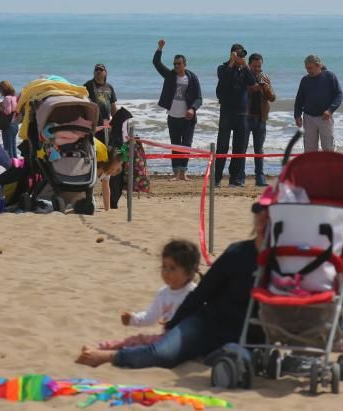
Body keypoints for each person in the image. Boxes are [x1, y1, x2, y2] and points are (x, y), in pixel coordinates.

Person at [76, 204, 267, 369]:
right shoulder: (237, 253)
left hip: (248, 336)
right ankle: (109, 356)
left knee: (239, 358)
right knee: (162, 353)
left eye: (271, 211)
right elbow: (201, 294)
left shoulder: (289, 261)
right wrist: (173, 326)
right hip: (209, 325)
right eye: (259, 209)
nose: (264, 216)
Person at [94, 240, 200, 351]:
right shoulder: (163, 293)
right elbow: (150, 317)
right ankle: (105, 347)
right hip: (167, 339)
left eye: (173, 268)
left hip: (187, 340)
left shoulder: (194, 293)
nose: (166, 272)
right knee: (138, 340)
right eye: (164, 266)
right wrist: (133, 319)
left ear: (189, 272)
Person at [152, 39, 202, 181]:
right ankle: (175, 172)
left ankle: (183, 172)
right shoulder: (170, 76)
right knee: (175, 144)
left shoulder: (192, 78)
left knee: (186, 144)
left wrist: (192, 109)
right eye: (174, 64)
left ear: (184, 65)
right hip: (173, 116)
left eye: (179, 64)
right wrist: (160, 48)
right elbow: (156, 63)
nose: (176, 66)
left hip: (188, 118)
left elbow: (199, 98)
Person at [215, 43, 257, 187]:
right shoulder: (223, 68)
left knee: (239, 147)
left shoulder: (244, 70)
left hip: (242, 112)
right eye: (238, 54)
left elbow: (253, 82)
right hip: (227, 111)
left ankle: (235, 179)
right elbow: (224, 79)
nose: (241, 57)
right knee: (222, 146)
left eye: (242, 54)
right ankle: (217, 178)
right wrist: (232, 63)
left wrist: (245, 66)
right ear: (232, 54)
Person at [293, 55, 343, 153]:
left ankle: (329, 168)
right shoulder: (305, 80)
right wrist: (297, 115)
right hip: (308, 118)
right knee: (309, 150)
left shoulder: (329, 76)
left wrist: (330, 110)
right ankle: (312, 168)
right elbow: (299, 99)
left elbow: (339, 95)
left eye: (310, 68)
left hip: (325, 117)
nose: (308, 71)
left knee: (328, 148)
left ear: (318, 66)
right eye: (306, 68)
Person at [246, 53, 276, 187]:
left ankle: (260, 176)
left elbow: (273, 98)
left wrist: (267, 89)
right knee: (241, 148)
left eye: (259, 66)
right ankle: (239, 177)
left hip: (261, 118)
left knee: (259, 149)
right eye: (255, 66)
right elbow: (239, 94)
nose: (257, 69)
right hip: (246, 117)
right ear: (249, 65)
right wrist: (252, 89)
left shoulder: (265, 77)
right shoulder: (245, 76)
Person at [85, 64, 118, 144]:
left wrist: (117, 121)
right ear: (94, 73)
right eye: (96, 70)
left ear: (105, 73)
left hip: (106, 122)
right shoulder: (88, 85)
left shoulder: (109, 87)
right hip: (94, 123)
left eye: (101, 70)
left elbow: (113, 106)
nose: (98, 71)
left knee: (107, 145)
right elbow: (84, 104)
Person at [95, 141, 123, 211]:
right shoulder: (96, 169)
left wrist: (107, 209)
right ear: (106, 162)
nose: (113, 172)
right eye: (112, 169)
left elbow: (106, 191)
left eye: (116, 169)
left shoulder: (106, 173)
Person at [0, 80, 20, 158]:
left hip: (8, 125)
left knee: (7, 148)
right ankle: (16, 165)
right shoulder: (14, 97)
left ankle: (9, 166)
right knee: (13, 147)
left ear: (3, 89)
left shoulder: (7, 98)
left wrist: (0, 107)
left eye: (0, 89)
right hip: (15, 124)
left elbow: (7, 112)